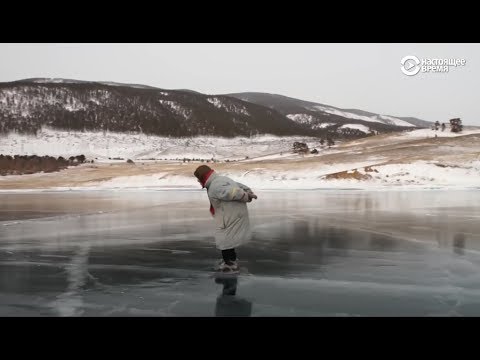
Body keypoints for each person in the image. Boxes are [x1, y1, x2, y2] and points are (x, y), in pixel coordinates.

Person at [194, 165, 257, 273]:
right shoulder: (221, 180)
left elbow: (233, 192)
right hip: (231, 214)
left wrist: (246, 196)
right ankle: (231, 260)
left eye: (199, 179)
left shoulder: (215, 185)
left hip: (229, 216)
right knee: (227, 239)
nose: (198, 182)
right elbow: (239, 186)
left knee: (224, 241)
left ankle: (229, 264)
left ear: (203, 177)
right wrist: (248, 192)